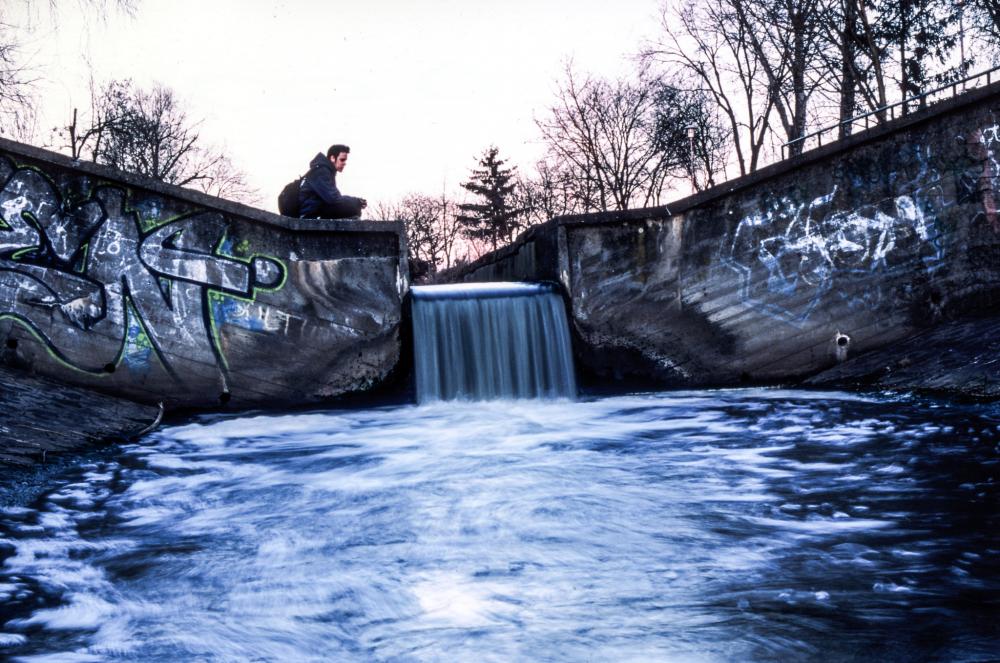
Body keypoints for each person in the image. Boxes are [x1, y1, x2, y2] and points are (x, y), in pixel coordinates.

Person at [298, 144, 368, 219]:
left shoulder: (325, 171)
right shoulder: (321, 172)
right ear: (332, 158)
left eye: (345, 160)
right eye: (342, 160)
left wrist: (356, 202)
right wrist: (356, 201)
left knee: (352, 209)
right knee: (352, 208)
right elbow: (334, 199)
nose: (344, 163)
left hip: (316, 210)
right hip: (309, 214)